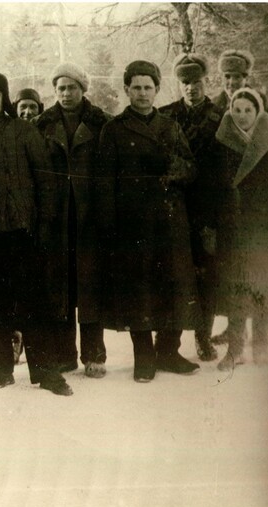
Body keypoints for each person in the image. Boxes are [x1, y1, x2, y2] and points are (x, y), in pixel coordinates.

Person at [0, 71, 73, 396]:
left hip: (25, 232)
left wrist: (44, 224)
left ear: (4, 99)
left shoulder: (24, 131)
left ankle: (47, 373)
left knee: (35, 304)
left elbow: (45, 180)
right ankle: (2, 370)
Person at [98, 60, 200, 382]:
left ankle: (168, 350)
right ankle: (144, 355)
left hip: (169, 220)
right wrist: (110, 225)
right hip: (133, 224)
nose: (142, 93)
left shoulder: (170, 126)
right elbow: (104, 182)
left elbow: (191, 169)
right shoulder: (114, 129)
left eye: (148, 87)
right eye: (136, 87)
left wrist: (174, 167)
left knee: (174, 283)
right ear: (126, 90)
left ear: (157, 89)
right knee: (138, 288)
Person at [33, 62, 111, 379]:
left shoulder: (101, 123)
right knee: (59, 287)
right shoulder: (42, 124)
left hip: (90, 217)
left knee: (90, 285)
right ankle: (63, 355)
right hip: (56, 217)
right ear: (55, 91)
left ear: (83, 89)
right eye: (61, 88)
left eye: (72, 87)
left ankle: (94, 354)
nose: (66, 93)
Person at [159, 53, 226, 362]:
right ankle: (167, 343)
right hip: (174, 207)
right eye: (185, 82)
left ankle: (203, 337)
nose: (191, 87)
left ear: (205, 81)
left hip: (207, 208)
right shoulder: (166, 116)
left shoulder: (220, 116)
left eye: (196, 81)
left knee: (206, 274)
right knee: (172, 273)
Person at [215, 88, 268, 370]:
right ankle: (235, 349)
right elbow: (211, 187)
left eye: (248, 110)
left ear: (258, 113)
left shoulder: (266, 141)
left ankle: (261, 346)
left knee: (262, 286)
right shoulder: (221, 142)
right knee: (236, 288)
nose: (242, 115)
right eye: (237, 110)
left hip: (262, 227)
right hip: (232, 225)